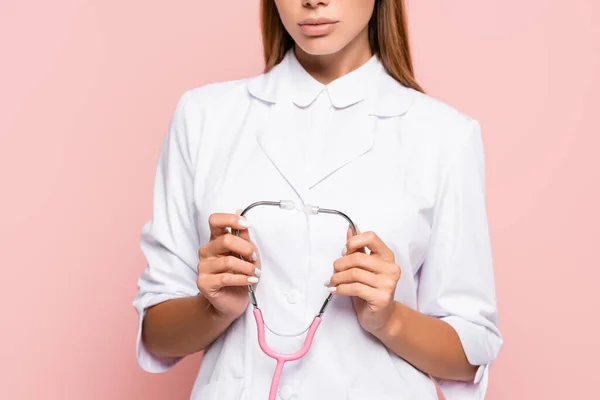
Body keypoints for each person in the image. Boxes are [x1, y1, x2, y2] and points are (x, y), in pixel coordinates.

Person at [132, 0, 503, 399]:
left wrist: (389, 319)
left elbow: (470, 353)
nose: (313, 0)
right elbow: (157, 336)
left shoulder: (445, 135)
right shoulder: (203, 117)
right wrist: (214, 308)